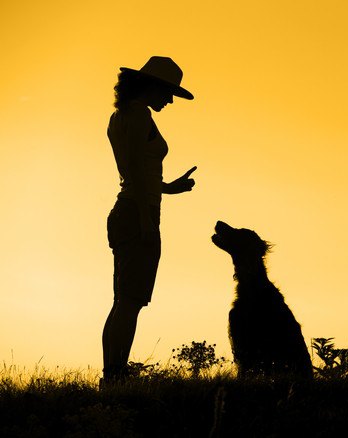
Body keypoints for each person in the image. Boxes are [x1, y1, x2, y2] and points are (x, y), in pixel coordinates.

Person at [102, 56, 197, 383]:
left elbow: (136, 173)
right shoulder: (140, 116)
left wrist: (169, 188)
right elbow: (137, 178)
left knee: (122, 302)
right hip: (136, 215)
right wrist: (147, 223)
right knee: (130, 302)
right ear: (152, 86)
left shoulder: (120, 116)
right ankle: (115, 377)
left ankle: (112, 376)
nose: (169, 99)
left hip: (127, 212)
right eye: (168, 92)